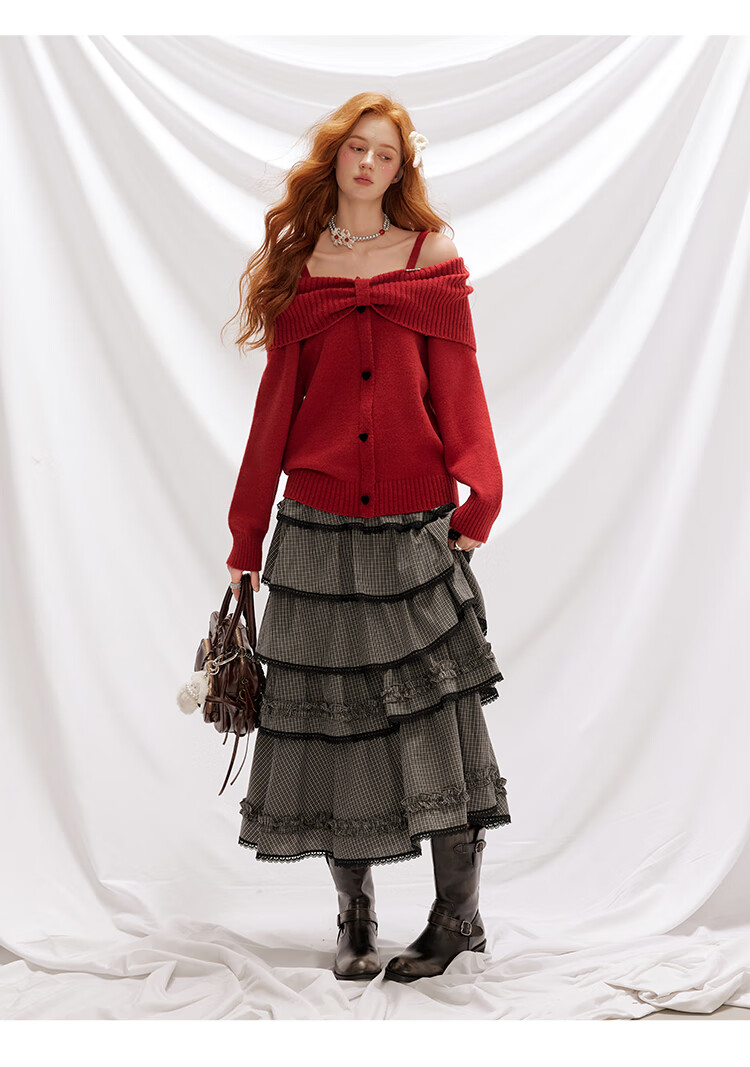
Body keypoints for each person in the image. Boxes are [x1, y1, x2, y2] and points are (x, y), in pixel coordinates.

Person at [222, 91, 511, 983]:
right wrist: (245, 537)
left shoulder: (432, 256)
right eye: (356, 148)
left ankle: (458, 917)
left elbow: (458, 385)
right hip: (314, 529)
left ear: (400, 168)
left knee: (437, 719)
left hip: (415, 526)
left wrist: (479, 501)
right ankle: (354, 915)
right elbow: (275, 410)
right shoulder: (300, 264)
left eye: (385, 154)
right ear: (335, 156)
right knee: (337, 729)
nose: (368, 164)